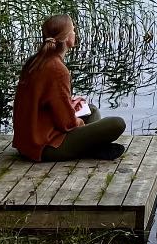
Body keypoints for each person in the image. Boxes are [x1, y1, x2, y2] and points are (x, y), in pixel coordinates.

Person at [12, 14, 127, 161]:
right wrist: (79, 122)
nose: (75, 32)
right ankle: (94, 148)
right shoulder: (57, 69)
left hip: (27, 144)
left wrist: (72, 107)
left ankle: (93, 147)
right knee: (117, 123)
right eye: (73, 29)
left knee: (91, 109)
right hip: (45, 147)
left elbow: (46, 105)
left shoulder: (34, 61)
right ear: (66, 38)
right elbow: (66, 124)